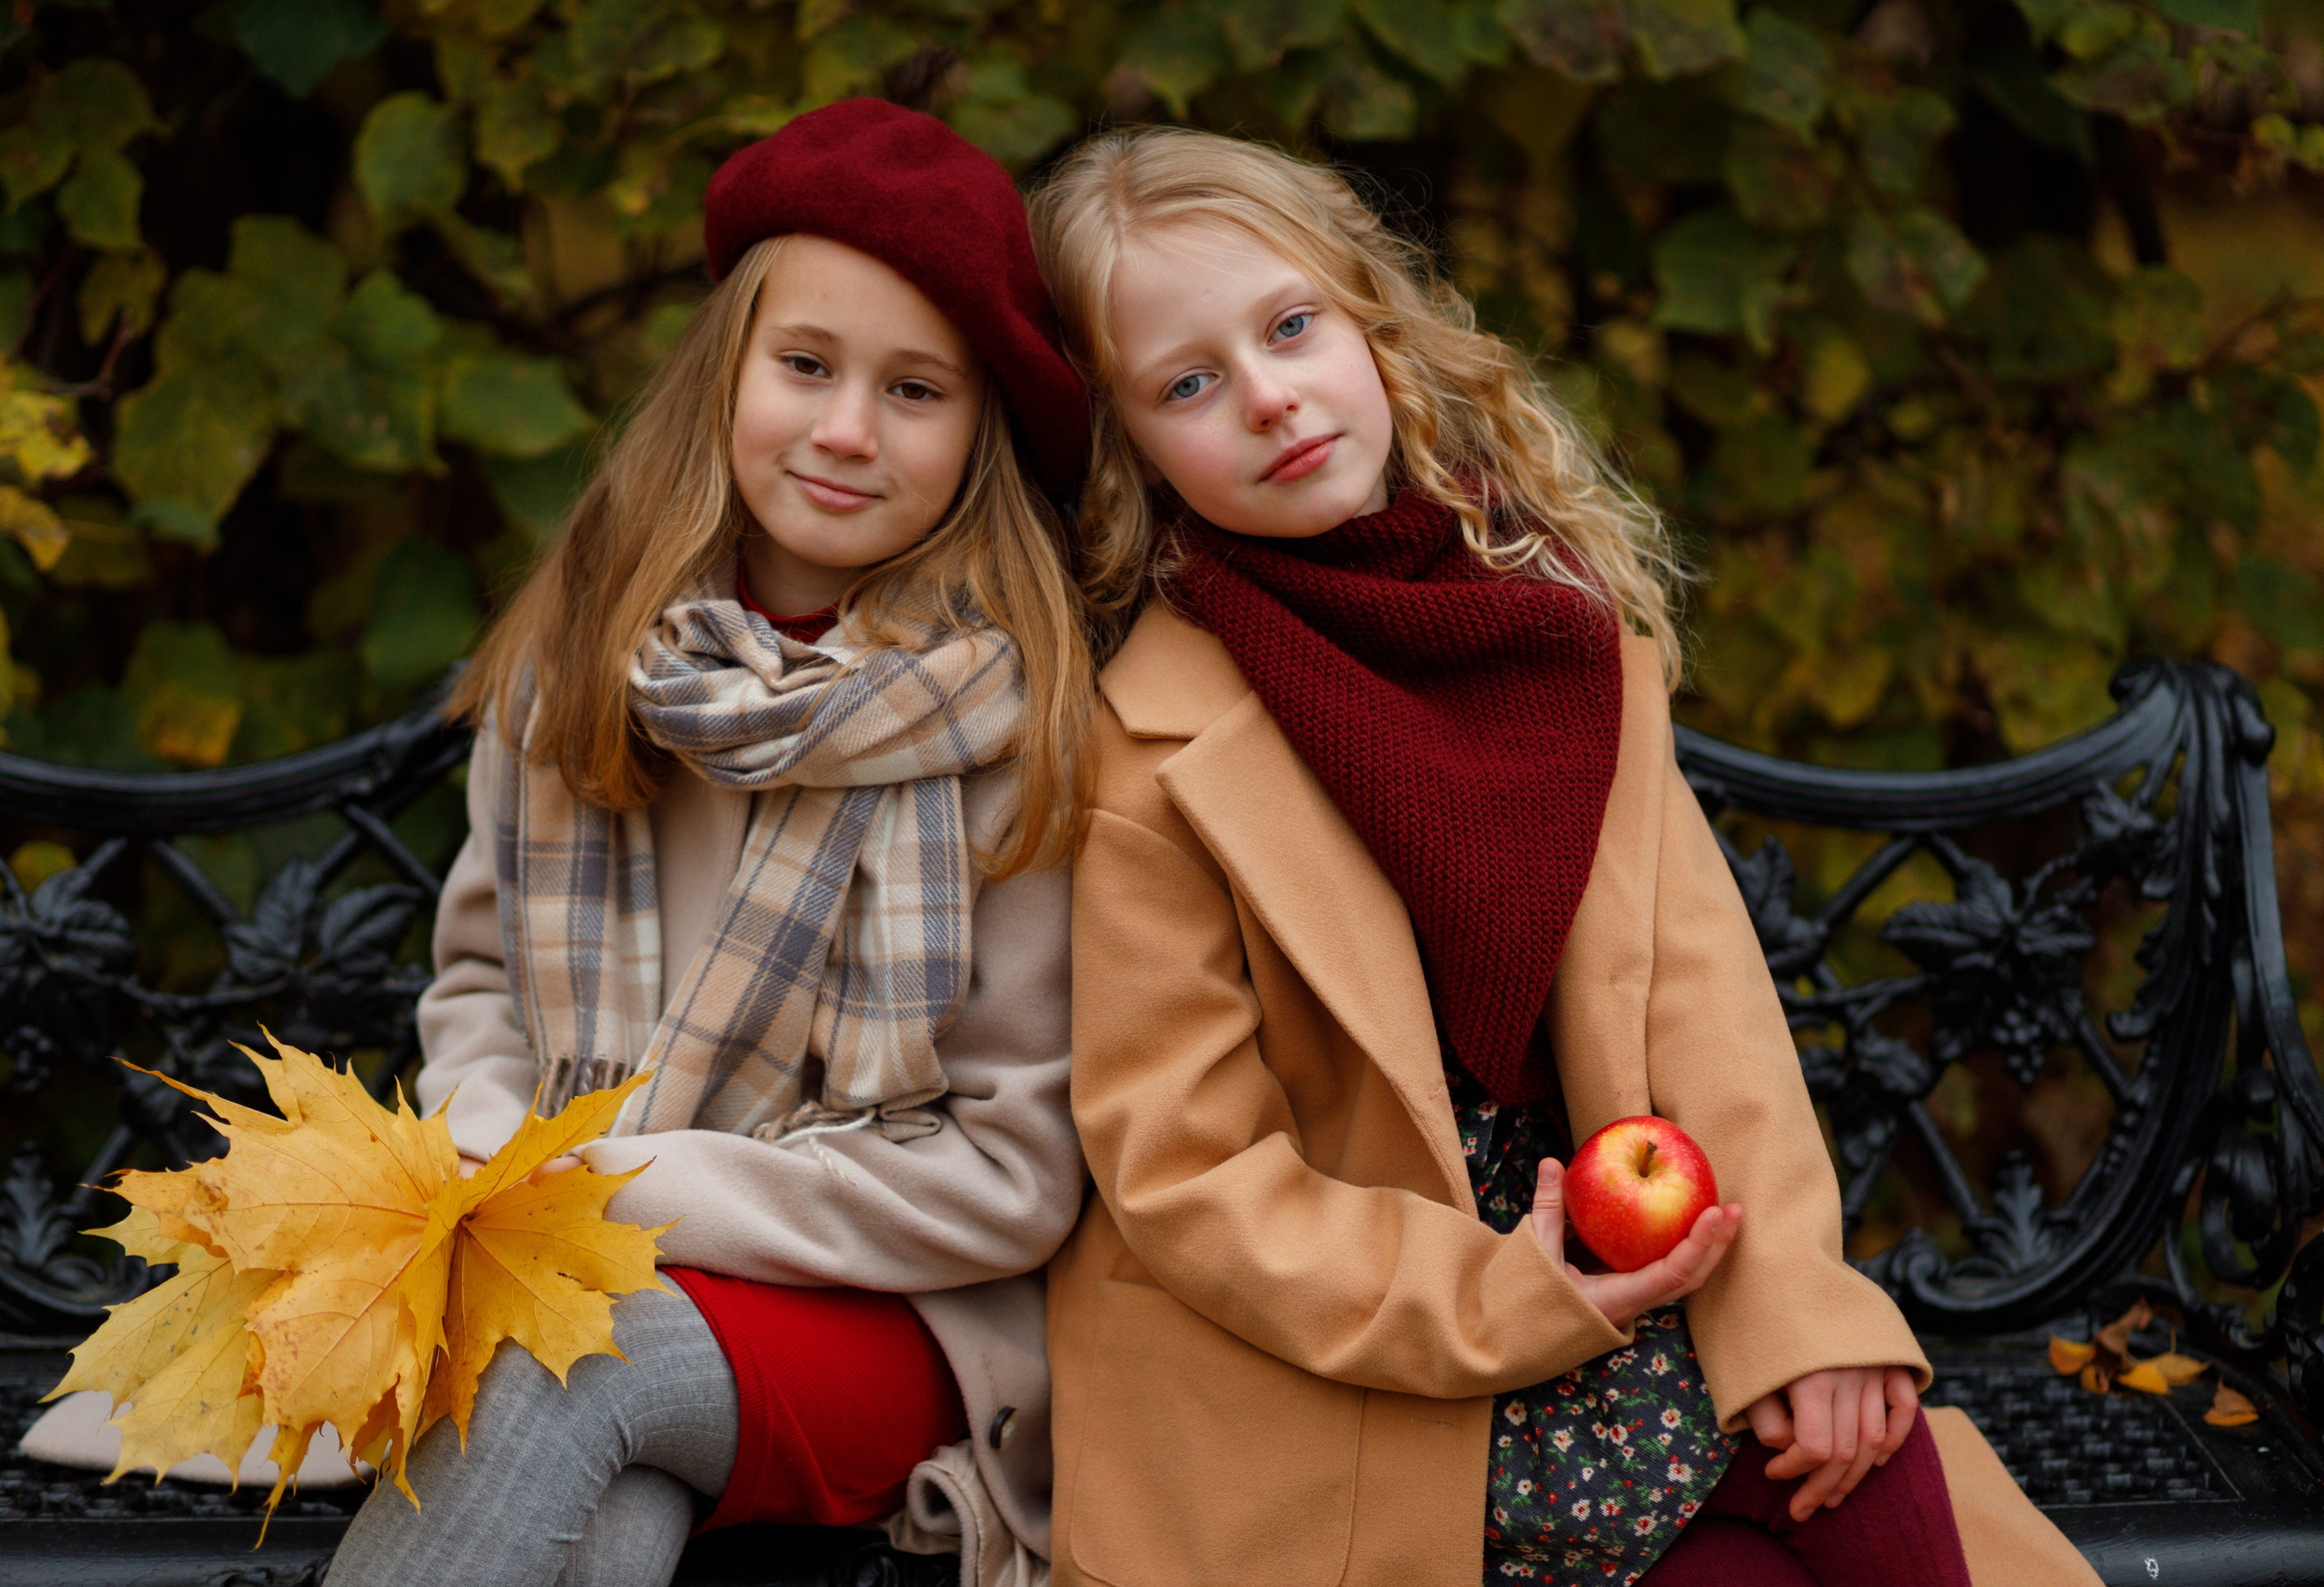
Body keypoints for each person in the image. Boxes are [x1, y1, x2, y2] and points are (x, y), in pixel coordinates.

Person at [1026, 126, 2098, 1587]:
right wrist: (1498, 1293)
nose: (1269, 398)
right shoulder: (1151, 745)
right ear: (1129, 448)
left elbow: (1701, 1004)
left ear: (1371, 319)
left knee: (1857, 1449)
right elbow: (1190, 1175)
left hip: (1628, 1265)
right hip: (1359, 1357)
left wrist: (1796, 1313)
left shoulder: (1546, 623)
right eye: (1189, 384)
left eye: (1291, 327)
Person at [325, 98, 1093, 1587]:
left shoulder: (1015, 725)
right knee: (601, 1520)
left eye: (917, 390)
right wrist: (493, 1143)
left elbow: (1010, 1172)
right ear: (727, 367)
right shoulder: (587, 658)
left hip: (902, 1314)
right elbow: (482, 984)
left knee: (566, 1364)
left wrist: (619, 1190)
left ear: (984, 427)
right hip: (581, 1263)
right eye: (806, 364)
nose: (847, 430)